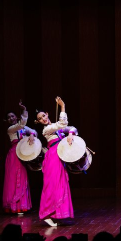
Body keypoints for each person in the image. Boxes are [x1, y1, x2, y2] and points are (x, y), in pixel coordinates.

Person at [36, 96, 78, 227]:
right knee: (51, 185)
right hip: (52, 157)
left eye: (43, 115)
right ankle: (46, 214)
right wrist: (62, 106)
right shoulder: (46, 130)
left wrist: (70, 134)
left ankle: (57, 214)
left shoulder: (55, 127)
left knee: (60, 184)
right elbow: (62, 124)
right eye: (40, 119)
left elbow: (73, 128)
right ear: (39, 122)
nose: (43, 119)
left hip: (59, 157)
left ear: (47, 114)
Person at [2, 100, 36, 215]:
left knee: (22, 177)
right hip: (14, 154)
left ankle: (21, 206)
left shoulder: (22, 128)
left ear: (16, 117)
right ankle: (13, 206)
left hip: (22, 153)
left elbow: (34, 131)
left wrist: (32, 135)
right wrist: (24, 111)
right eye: (8, 117)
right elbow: (21, 124)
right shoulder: (11, 129)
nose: (11, 118)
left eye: (12, 116)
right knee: (13, 179)